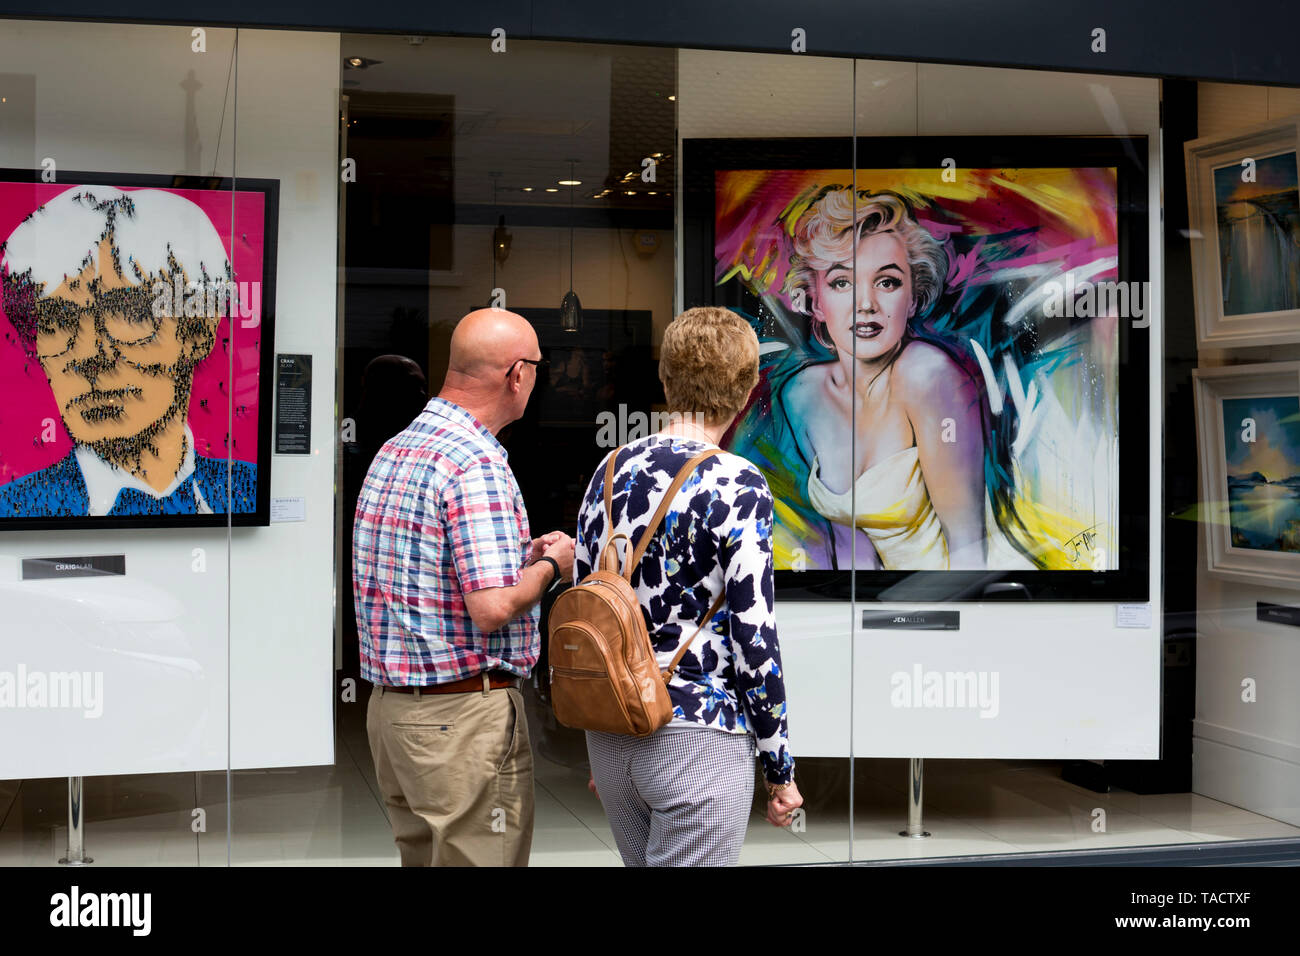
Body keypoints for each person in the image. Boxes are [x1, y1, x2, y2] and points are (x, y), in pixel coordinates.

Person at [575, 305, 802, 867]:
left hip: (613, 736)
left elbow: (590, 611)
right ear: (749, 388)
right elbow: (755, 637)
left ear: (665, 379)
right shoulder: (737, 482)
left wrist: (601, 728)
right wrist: (780, 770)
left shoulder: (608, 472)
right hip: (696, 736)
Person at [353, 307, 575, 867]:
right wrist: (553, 566)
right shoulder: (475, 462)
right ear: (516, 375)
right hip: (459, 721)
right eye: (538, 370)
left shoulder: (396, 450)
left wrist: (517, 560)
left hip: (393, 717)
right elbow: (494, 607)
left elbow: (422, 574)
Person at [0, 185, 254, 516]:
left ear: (198, 330)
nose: (91, 356)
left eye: (129, 312)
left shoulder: (246, 492)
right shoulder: (15, 509)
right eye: (58, 320)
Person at [779, 187, 987, 570]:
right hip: (879, 608)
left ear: (913, 297)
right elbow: (851, 547)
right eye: (842, 283)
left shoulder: (928, 375)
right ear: (815, 301)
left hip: (952, 604)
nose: (866, 304)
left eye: (887, 282)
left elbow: (969, 549)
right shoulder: (801, 395)